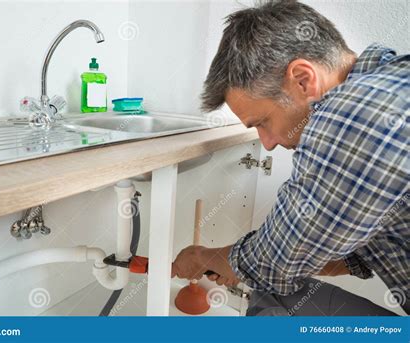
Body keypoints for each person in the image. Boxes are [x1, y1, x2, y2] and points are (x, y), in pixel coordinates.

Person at [171, 0, 409, 316]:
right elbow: (360, 253)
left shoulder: (357, 113)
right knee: (274, 291)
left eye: (262, 122)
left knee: (269, 293)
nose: (267, 145)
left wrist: (202, 257)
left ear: (302, 79)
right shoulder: (391, 83)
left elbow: (274, 265)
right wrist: (238, 264)